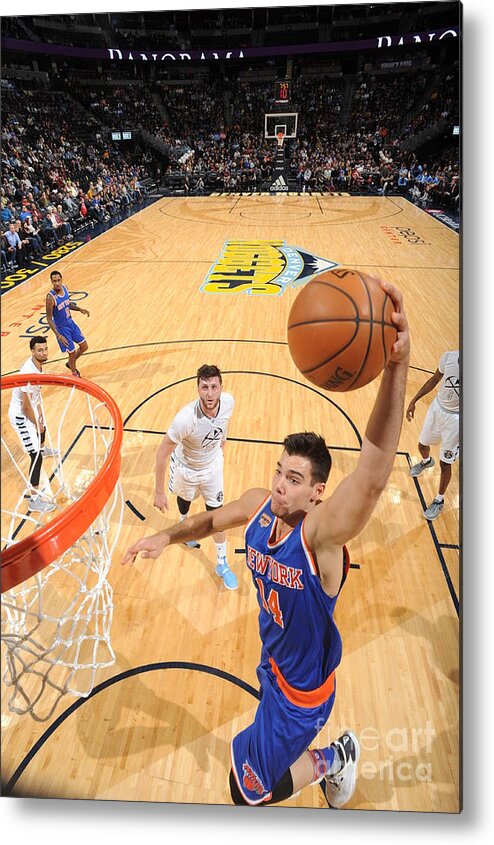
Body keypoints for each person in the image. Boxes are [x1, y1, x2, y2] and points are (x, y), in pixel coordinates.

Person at [123, 280, 410, 807]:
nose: (280, 484)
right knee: (252, 773)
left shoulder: (320, 537)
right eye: (280, 471)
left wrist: (395, 368)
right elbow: (210, 524)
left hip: (303, 697)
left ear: (318, 493)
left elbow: (370, 477)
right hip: (271, 664)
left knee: (246, 791)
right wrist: (164, 535)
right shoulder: (260, 506)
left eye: (295, 479)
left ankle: (335, 757)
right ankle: (321, 754)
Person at [153, 364, 237, 590]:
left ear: (221, 387)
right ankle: (184, 523)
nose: (209, 393)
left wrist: (223, 443)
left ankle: (222, 563)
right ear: (197, 389)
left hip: (212, 469)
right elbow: (161, 453)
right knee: (185, 501)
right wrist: (159, 492)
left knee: (216, 517)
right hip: (186, 469)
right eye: (204, 388)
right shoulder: (185, 419)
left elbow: (224, 424)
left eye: (213, 387)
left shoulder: (228, 402)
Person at [406, 350, 459, 521]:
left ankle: (439, 500)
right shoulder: (449, 357)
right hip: (437, 409)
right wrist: (414, 400)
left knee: (445, 463)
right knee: (422, 445)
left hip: (456, 420)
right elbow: (434, 379)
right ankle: (427, 461)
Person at [8, 337, 58, 514]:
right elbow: (25, 406)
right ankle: (34, 499)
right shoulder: (28, 371)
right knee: (35, 456)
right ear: (32, 351)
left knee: (42, 426)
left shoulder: (37, 365)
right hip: (20, 416)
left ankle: (43, 447)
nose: (43, 353)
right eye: (39, 350)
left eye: (45, 349)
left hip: (30, 407)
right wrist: (36, 423)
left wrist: (40, 416)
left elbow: (34, 399)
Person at [45, 270, 90, 377]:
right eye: (54, 281)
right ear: (51, 281)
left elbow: (67, 304)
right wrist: (59, 335)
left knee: (84, 347)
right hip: (62, 329)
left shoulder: (65, 288)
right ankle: (74, 373)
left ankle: (70, 363)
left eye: (58, 280)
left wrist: (79, 309)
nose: (56, 283)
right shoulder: (50, 298)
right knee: (72, 352)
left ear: (62, 280)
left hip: (71, 323)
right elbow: (49, 319)